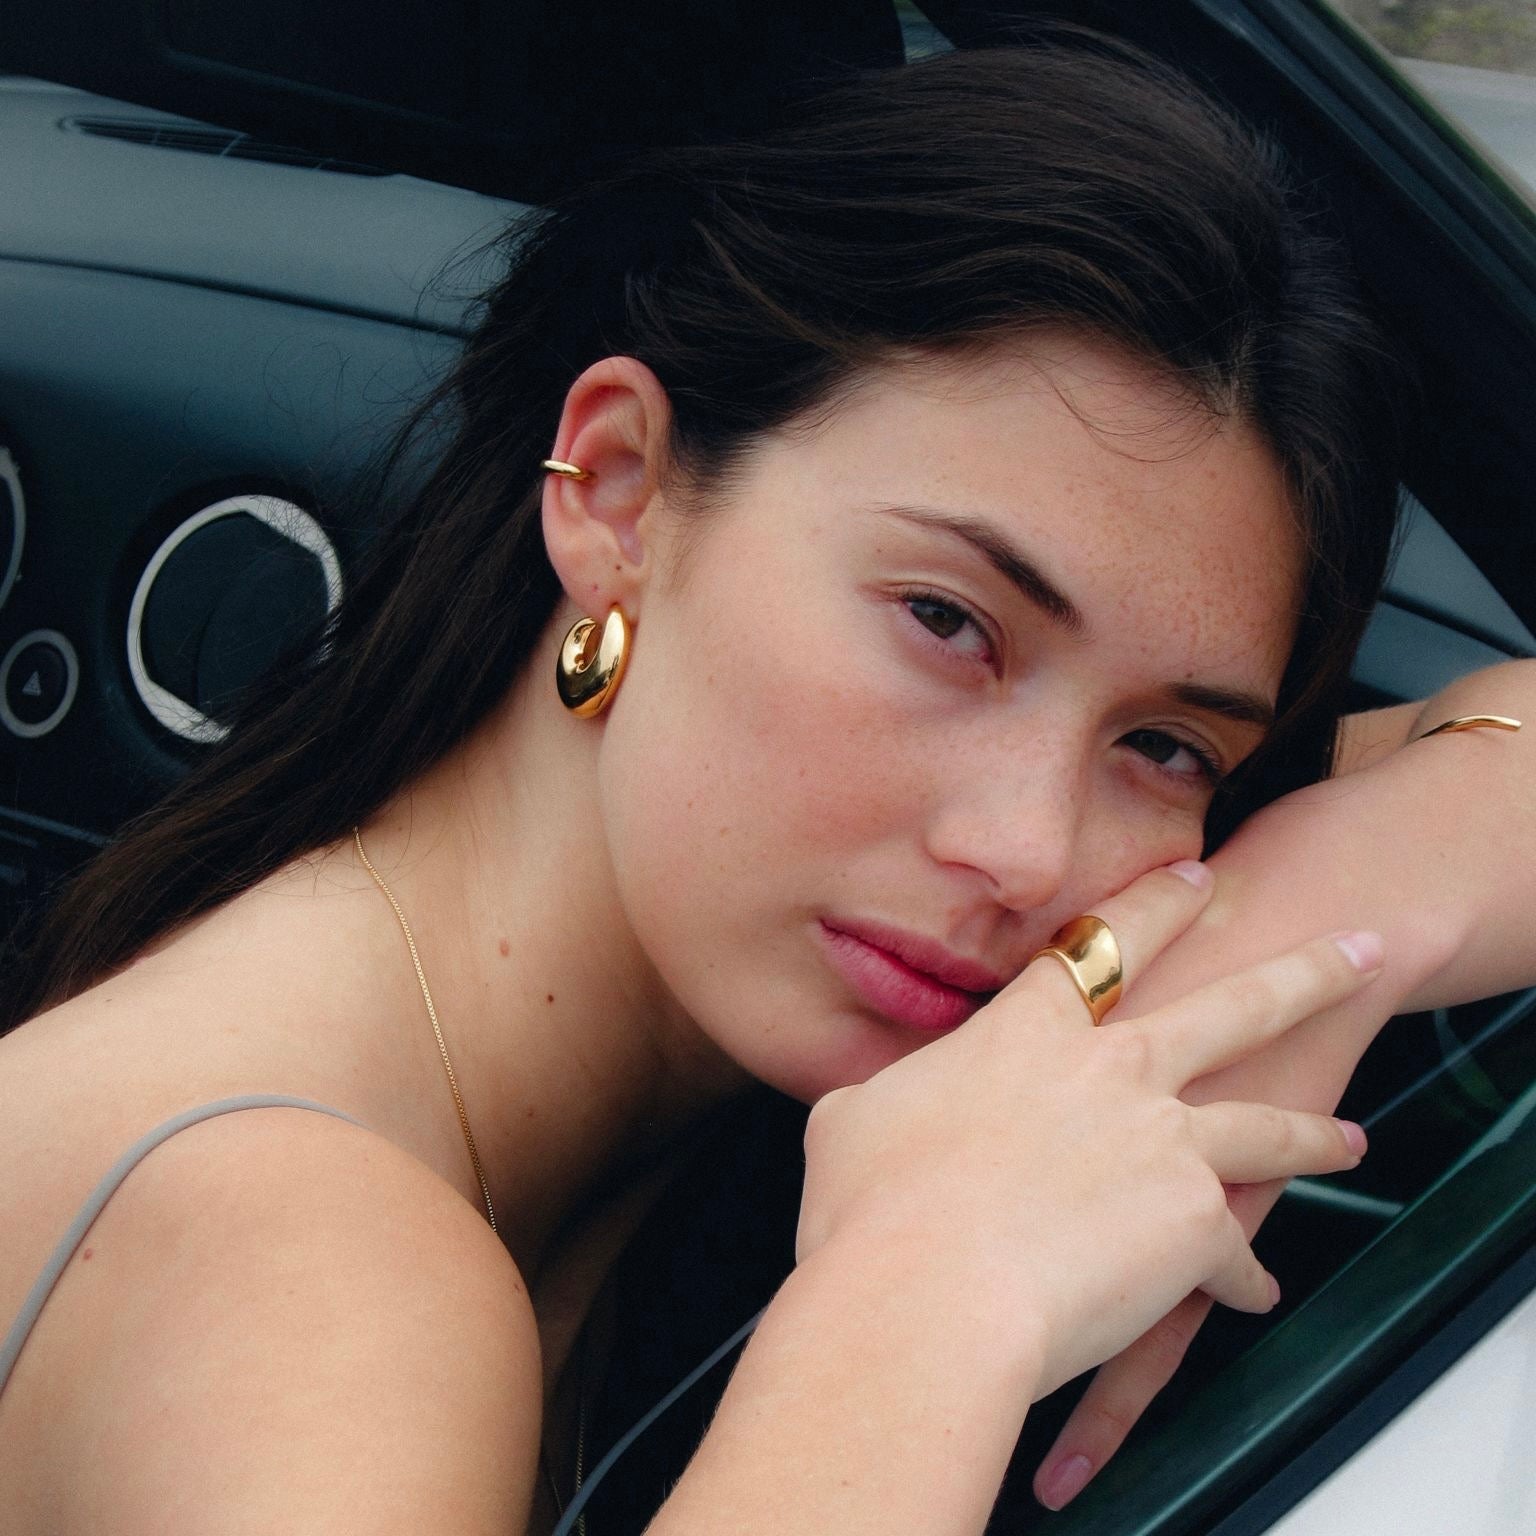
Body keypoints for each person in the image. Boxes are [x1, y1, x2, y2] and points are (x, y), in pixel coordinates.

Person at [1, 38, 1532, 1535]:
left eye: (1169, 747)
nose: (1028, 852)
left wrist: (1321, 921)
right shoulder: (308, 1274)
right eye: (948, 624)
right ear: (618, 495)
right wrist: (928, 1297)